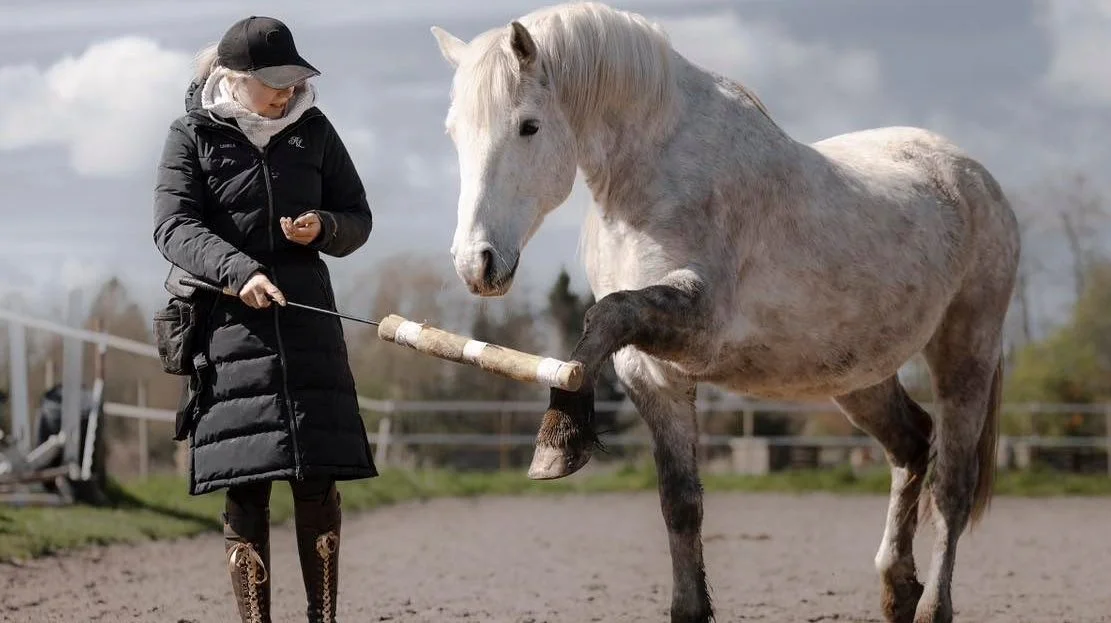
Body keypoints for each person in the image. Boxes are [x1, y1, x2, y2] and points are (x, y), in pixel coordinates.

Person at [152, 15, 376, 623]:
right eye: (274, 82)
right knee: (246, 488)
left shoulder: (316, 130)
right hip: (228, 330)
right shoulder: (190, 134)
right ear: (234, 78)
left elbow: (356, 215)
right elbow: (173, 227)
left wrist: (324, 227)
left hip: (308, 329)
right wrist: (237, 271)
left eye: (293, 79)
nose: (286, 92)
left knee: (317, 484)